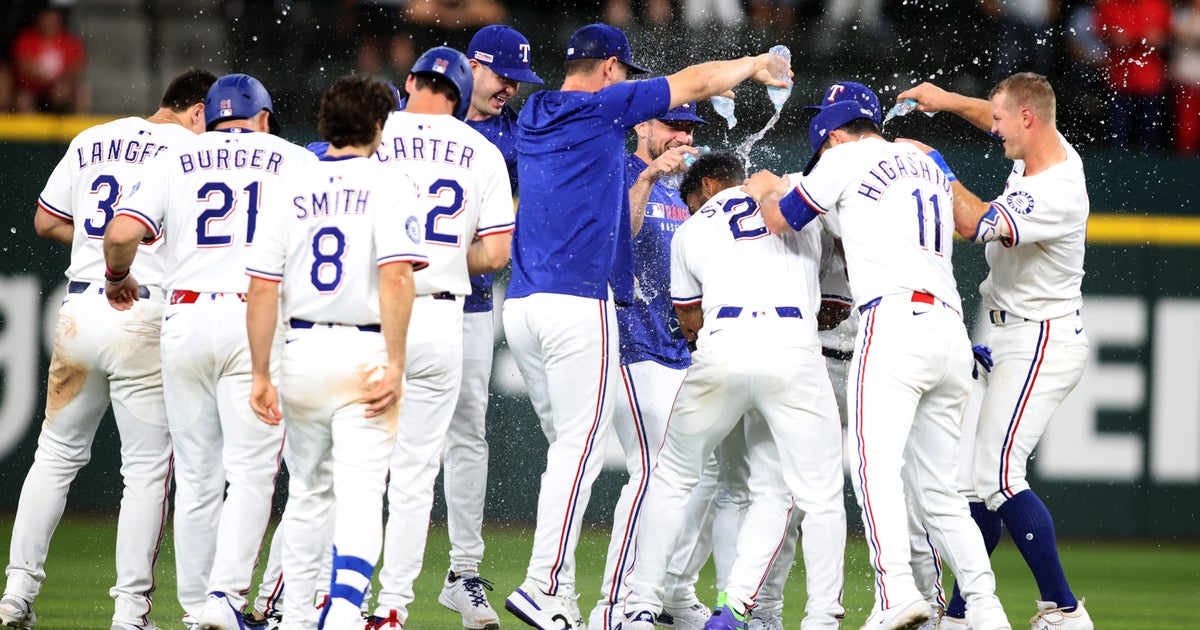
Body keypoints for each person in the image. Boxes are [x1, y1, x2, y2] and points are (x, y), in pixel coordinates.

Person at [500, 22, 788, 630]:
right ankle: (551, 588)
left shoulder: (532, 114)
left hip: (523, 304)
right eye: (626, 74)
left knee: (569, 454)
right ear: (610, 70)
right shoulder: (604, 108)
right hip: (584, 303)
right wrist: (755, 62)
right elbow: (694, 80)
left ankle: (602, 597)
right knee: (590, 454)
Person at [741, 97, 1012, 630]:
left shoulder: (842, 158)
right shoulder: (923, 159)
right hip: (951, 329)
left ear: (835, 138)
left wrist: (763, 185)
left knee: (874, 470)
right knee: (940, 493)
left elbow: (779, 218)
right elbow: (968, 222)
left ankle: (895, 593)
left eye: (821, 149)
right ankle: (984, 607)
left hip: (893, 325)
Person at [0, 68, 214, 630]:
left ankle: (16, 591)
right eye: (208, 120)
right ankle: (127, 613)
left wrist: (97, 244)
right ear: (197, 111)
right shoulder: (190, 151)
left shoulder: (93, 137)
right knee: (144, 472)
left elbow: (46, 221)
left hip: (80, 309)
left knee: (54, 456)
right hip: (143, 306)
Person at [102, 73, 316, 630]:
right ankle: (225, 599)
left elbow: (120, 233)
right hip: (257, 317)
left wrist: (116, 276)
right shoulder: (291, 158)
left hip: (186, 319)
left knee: (197, 478)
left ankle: (198, 609)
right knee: (251, 473)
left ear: (211, 116)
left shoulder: (177, 156)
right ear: (264, 118)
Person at [896, 73, 1094, 630]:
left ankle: (1064, 610)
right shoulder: (1040, 145)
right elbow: (996, 115)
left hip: (1041, 337)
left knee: (1001, 476)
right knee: (973, 486)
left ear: (1028, 119)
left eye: (1004, 120)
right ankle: (961, 616)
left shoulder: (1055, 187)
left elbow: (971, 223)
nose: (995, 128)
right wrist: (946, 102)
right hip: (1011, 332)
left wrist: (933, 162)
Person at [621, 147, 846, 630]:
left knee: (673, 479)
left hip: (721, 345)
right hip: (793, 351)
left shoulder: (693, 226)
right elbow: (839, 279)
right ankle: (796, 613)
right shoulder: (792, 203)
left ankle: (640, 604)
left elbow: (688, 318)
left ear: (705, 188)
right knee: (806, 493)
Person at [244, 74, 424, 630]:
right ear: (378, 124)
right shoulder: (390, 184)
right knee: (363, 491)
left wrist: (260, 373)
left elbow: (262, 288)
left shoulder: (292, 187)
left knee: (307, 494)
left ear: (326, 124)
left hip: (301, 350)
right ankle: (345, 606)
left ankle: (297, 616)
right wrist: (396, 361)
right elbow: (396, 277)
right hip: (363, 349)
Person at [367, 45, 515, 630]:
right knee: (415, 473)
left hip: (371, 308)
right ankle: (392, 608)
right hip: (444, 314)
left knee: (347, 464)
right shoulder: (480, 147)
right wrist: (448, 260)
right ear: (461, 94)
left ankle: (302, 602)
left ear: (409, 80)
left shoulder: (373, 133)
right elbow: (497, 252)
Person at [433, 25, 543, 630]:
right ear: (472, 65)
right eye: (503, 76)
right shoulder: (409, 118)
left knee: (468, 432)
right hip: (394, 301)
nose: (510, 90)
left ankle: (464, 572)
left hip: (471, 299)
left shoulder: (515, 133)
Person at [589, 101, 707, 630]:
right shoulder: (622, 171)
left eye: (689, 127)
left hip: (682, 350)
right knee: (651, 472)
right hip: (634, 344)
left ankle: (669, 592)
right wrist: (649, 175)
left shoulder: (691, 192)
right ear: (642, 125)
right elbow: (617, 238)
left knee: (696, 479)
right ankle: (614, 605)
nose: (681, 135)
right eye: (672, 125)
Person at [9, 5, 87, 113]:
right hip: (33, 89)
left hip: (60, 88)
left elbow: (77, 67)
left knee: (81, 94)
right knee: (22, 99)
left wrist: (63, 82)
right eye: (45, 15)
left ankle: (77, 128)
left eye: (51, 15)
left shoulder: (69, 40)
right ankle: (30, 130)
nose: (48, 19)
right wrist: (43, 78)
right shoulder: (26, 38)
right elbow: (21, 64)